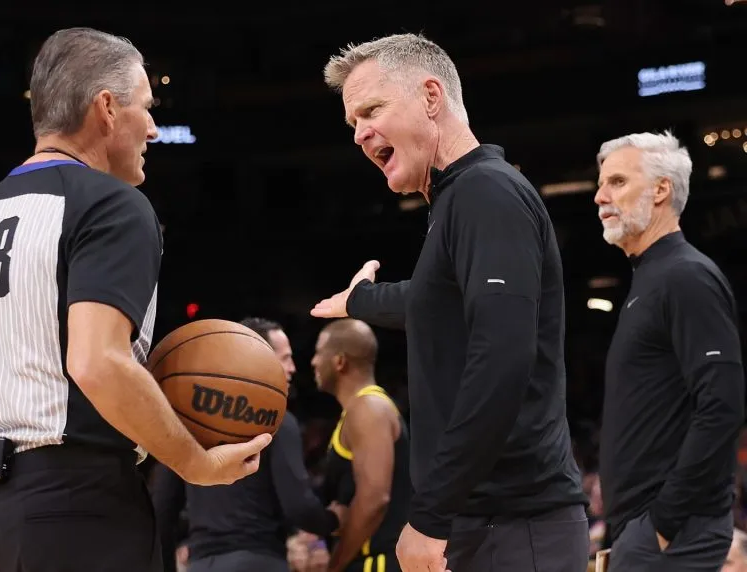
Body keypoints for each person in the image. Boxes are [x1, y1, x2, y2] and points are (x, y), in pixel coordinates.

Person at [0, 27, 270, 572]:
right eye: (147, 107)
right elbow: (96, 361)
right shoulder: (113, 205)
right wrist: (197, 464)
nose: (153, 127)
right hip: (76, 510)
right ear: (106, 108)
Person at [314, 33, 588, 572]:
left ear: (431, 97)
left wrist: (431, 516)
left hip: (514, 524)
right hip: (493, 524)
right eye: (352, 124)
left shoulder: (485, 193)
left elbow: (502, 358)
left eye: (371, 109)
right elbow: (438, 301)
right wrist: (362, 301)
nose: (359, 134)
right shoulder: (462, 197)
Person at [595, 131, 743, 570]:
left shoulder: (686, 276)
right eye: (602, 184)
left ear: (662, 189)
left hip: (674, 535)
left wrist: (662, 523)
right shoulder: (651, 277)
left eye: (617, 182)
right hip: (649, 533)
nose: (600, 196)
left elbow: (722, 405)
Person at [152, 317, 339, 572]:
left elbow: (162, 505)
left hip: (201, 562)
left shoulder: (191, 420)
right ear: (258, 360)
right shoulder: (277, 420)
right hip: (258, 558)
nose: (293, 368)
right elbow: (298, 506)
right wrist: (334, 520)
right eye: (284, 358)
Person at [310, 319, 411, 572]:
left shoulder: (368, 408)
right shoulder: (357, 410)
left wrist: (336, 564)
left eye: (319, 352)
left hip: (375, 562)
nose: (313, 362)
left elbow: (375, 498)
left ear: (339, 361)